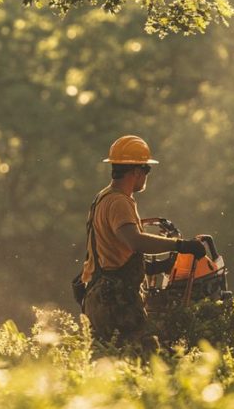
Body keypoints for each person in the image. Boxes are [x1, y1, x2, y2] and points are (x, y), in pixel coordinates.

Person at [80, 135, 207, 347]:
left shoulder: (103, 198)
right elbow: (135, 242)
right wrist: (181, 245)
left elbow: (116, 254)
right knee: (145, 357)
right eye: (147, 170)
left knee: (111, 365)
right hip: (116, 302)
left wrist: (158, 266)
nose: (147, 175)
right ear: (137, 171)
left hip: (99, 296)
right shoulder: (119, 202)